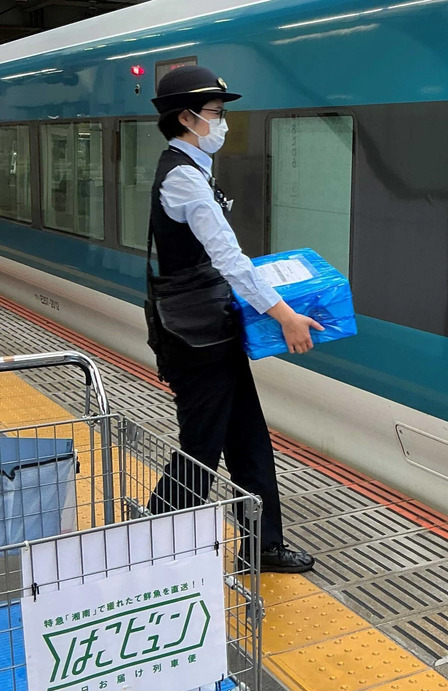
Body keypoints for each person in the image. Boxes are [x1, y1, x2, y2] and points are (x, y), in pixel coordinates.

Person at [145, 65, 316, 573]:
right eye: (216, 115)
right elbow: (230, 259)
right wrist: (284, 315)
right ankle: (150, 546)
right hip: (195, 339)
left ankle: (262, 545)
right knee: (201, 447)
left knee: (246, 437)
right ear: (187, 117)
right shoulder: (182, 178)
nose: (223, 124)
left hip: (210, 331)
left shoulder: (192, 167)